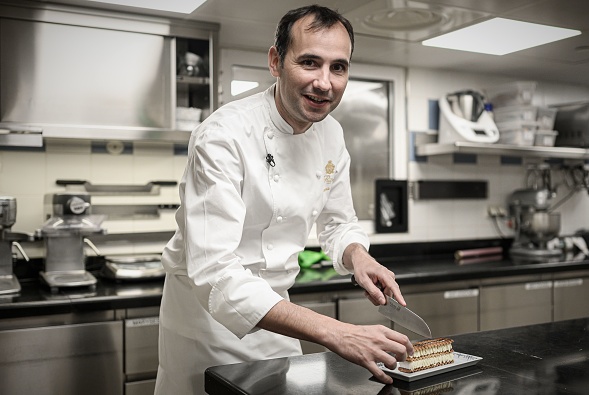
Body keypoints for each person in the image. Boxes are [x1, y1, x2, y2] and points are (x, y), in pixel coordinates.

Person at [154, 5, 413, 394]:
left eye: (338, 67)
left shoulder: (331, 135)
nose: (324, 83)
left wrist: (358, 255)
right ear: (276, 61)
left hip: (278, 312)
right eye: (309, 62)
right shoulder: (223, 136)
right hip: (206, 321)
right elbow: (216, 274)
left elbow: (338, 222)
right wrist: (335, 331)